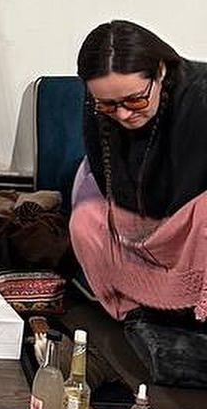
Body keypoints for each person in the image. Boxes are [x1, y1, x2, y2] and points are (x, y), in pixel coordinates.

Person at [70, 21, 207, 379]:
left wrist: (166, 230)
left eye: (135, 99)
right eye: (108, 105)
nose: (124, 114)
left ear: (160, 71)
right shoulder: (99, 105)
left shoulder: (201, 96)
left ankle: (189, 308)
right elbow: (105, 176)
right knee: (85, 218)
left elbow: (192, 183)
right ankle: (139, 307)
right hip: (141, 216)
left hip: (190, 212)